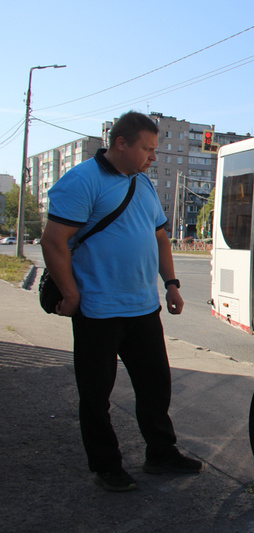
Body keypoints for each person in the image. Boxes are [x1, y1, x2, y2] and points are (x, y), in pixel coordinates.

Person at [40, 111, 201, 492]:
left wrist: (172, 284)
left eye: (156, 149)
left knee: (156, 386)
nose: (153, 157)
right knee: (96, 394)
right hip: (98, 309)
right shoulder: (81, 181)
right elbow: (53, 241)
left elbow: (161, 237)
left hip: (143, 307)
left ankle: (161, 454)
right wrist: (71, 293)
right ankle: (106, 465)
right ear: (121, 144)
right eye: (147, 148)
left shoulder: (142, 185)